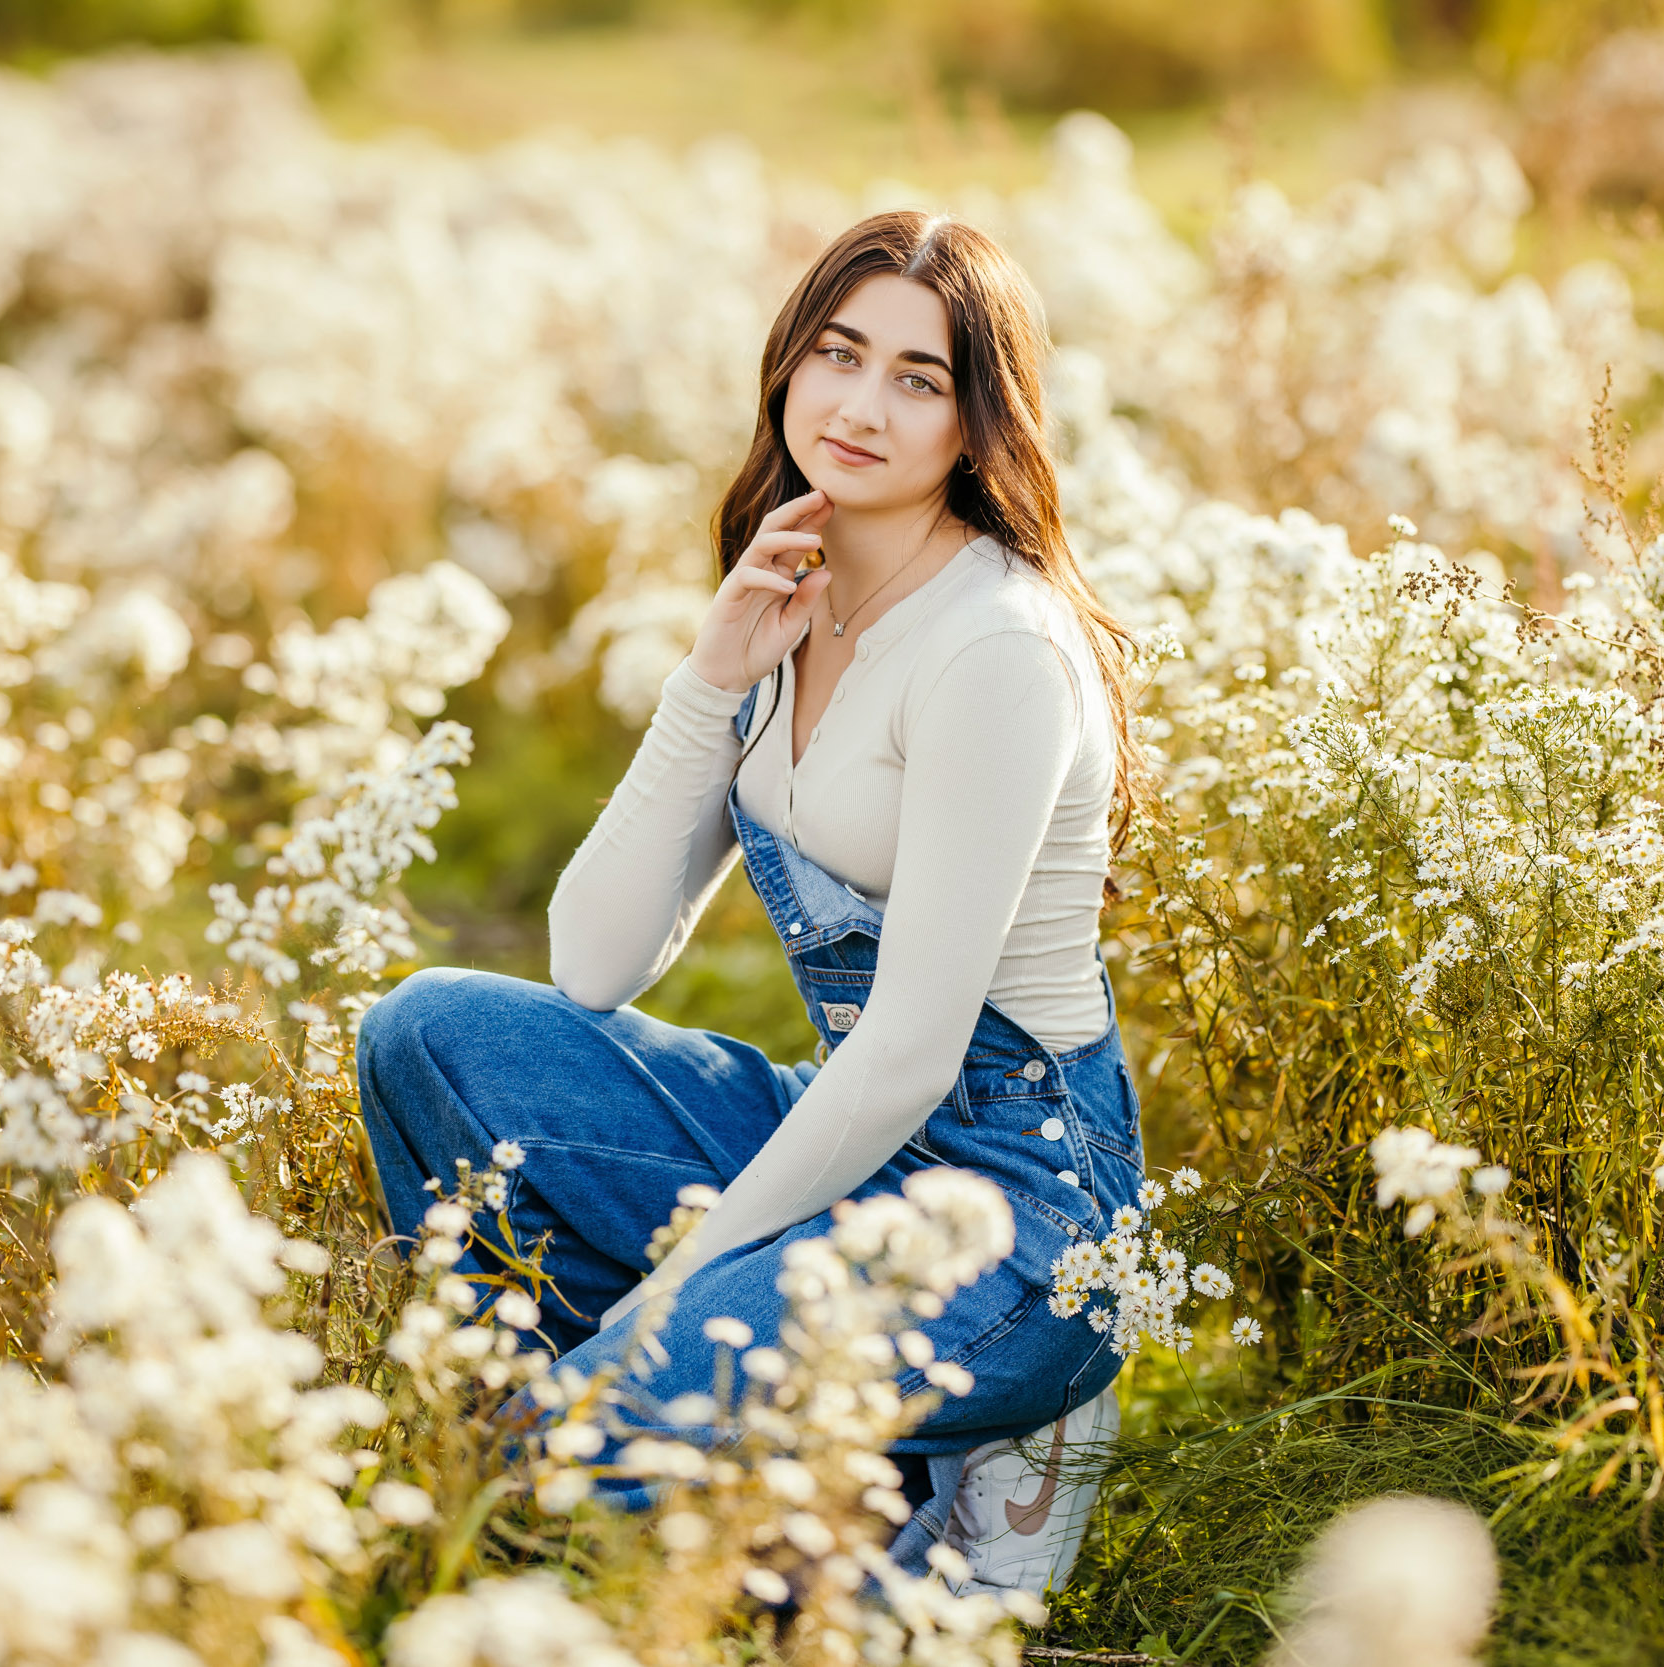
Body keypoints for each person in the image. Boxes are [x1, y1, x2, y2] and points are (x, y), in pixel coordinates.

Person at [354, 208, 1158, 1594]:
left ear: (981, 423)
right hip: (845, 1136)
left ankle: (953, 1460)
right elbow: (594, 962)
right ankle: (709, 1426)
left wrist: (672, 1296)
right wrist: (712, 679)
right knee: (427, 1033)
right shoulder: (794, 586)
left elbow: (910, 1055)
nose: (862, 404)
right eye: (839, 354)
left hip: (1022, 1213)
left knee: (584, 1454)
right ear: (786, 367)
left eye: (921, 377)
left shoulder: (994, 655)